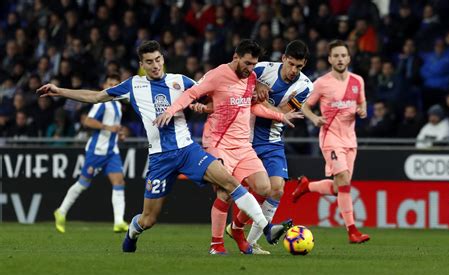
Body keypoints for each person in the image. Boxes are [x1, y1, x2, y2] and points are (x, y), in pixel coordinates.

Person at [38, 40, 290, 253]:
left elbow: (219, 92)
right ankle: (133, 232)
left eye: (158, 59)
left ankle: (266, 230)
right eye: (149, 61)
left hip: (188, 150)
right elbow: (95, 96)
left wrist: (254, 84)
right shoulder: (133, 86)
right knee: (149, 219)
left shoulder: (181, 80)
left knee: (230, 183)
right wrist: (60, 91)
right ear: (141, 65)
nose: (156, 65)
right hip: (160, 158)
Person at [154, 39, 301, 255]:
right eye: (248, 63)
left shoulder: (250, 78)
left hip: (243, 145)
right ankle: (216, 245)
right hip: (218, 143)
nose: (251, 69)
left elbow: (253, 107)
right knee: (225, 193)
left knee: (264, 188)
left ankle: (238, 230)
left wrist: (281, 116)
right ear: (235, 58)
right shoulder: (217, 75)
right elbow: (191, 94)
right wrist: (170, 110)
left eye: (254, 64)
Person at [218, 40, 313, 254]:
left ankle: (246, 237)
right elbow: (232, 79)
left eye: (299, 66)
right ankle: (222, 239)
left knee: (277, 189)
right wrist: (255, 83)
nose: (293, 70)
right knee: (233, 190)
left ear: (304, 64)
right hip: (244, 137)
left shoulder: (305, 86)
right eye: (291, 64)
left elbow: (280, 114)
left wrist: (256, 94)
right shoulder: (260, 69)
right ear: (283, 59)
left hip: (271, 140)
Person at [292, 39, 370, 244]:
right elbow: (304, 106)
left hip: (350, 140)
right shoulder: (322, 83)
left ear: (349, 58)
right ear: (330, 59)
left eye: (343, 55)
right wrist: (314, 118)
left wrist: (363, 110)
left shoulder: (357, 81)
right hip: (331, 138)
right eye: (336, 55)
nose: (340, 59)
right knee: (344, 181)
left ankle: (306, 187)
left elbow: (362, 102)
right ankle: (352, 231)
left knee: (338, 188)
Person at [53, 73, 127, 233]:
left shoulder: (118, 105)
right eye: (110, 83)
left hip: (111, 151)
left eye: (115, 84)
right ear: (104, 85)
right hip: (97, 151)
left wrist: (118, 134)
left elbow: (113, 126)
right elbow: (87, 121)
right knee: (83, 184)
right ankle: (61, 211)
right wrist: (108, 128)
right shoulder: (102, 103)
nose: (112, 86)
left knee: (119, 182)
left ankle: (119, 221)